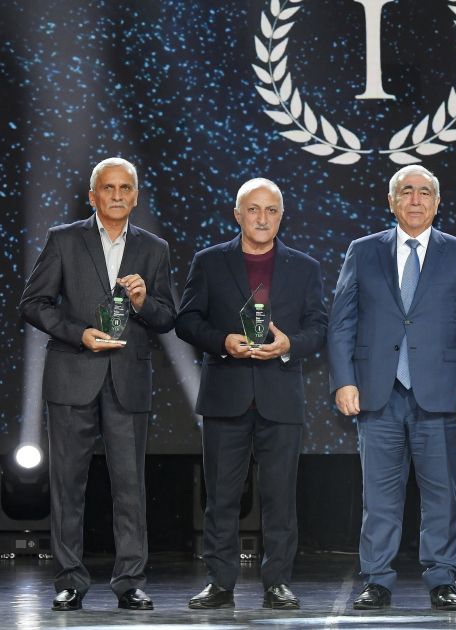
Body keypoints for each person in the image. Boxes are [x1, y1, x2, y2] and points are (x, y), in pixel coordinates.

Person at [328, 165, 456, 611]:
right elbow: (342, 323)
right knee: (379, 497)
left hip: (443, 394)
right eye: (406, 191)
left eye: (425, 192)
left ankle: (442, 579)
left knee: (442, 495)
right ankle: (377, 580)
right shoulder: (363, 251)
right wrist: (344, 380)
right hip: (378, 394)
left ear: (437, 203)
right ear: (391, 201)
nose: (416, 200)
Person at [19, 157, 176, 612]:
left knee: (130, 486)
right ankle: (69, 580)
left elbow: (168, 317)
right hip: (73, 375)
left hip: (127, 380)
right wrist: (78, 333)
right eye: (108, 188)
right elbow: (34, 303)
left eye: (126, 188)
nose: (117, 195)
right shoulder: (64, 239)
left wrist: (143, 302)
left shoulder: (154, 248)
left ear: (136, 196)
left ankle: (130, 582)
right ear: (93, 196)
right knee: (68, 485)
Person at [176, 178, 327, 611]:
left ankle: (277, 582)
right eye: (254, 209)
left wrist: (289, 345)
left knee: (280, 498)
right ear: (237, 214)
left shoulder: (304, 267)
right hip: (226, 394)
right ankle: (219, 583)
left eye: (271, 210)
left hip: (281, 398)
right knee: (221, 498)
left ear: (281, 216)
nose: (263, 218)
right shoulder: (209, 262)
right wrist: (223, 341)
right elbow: (187, 321)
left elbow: (320, 326)